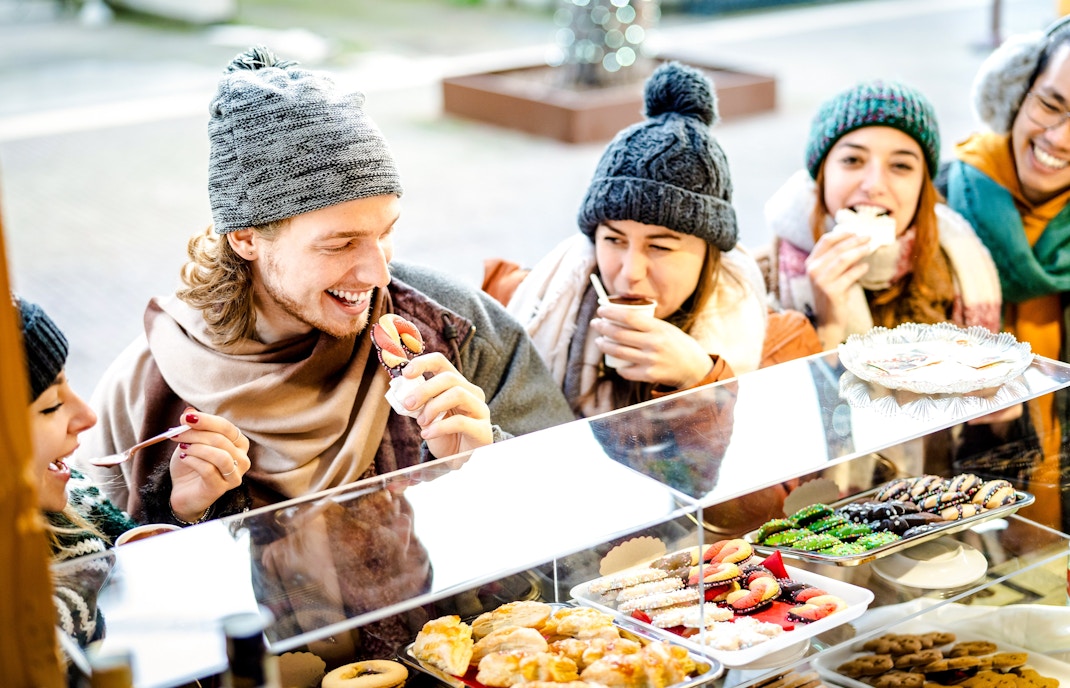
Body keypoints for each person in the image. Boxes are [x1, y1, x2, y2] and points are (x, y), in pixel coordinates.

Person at [77, 46, 573, 522]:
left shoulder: (453, 327)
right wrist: (181, 515)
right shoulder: (143, 390)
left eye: (386, 232)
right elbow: (94, 575)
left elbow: (580, 500)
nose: (378, 275)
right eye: (340, 244)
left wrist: (489, 461)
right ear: (247, 238)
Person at [504, 61, 796, 419]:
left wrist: (699, 378)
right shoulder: (543, 301)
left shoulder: (774, 344)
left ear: (710, 253)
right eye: (613, 239)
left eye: (659, 246)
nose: (630, 273)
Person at [15, 295, 248, 650]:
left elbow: (159, 593)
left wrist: (185, 510)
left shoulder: (75, 498)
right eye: (51, 406)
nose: (87, 417)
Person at [938, 16, 1070, 531]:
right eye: (1050, 104)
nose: (1059, 138)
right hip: (948, 519)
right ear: (1015, 93)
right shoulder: (940, 205)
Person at [767, 79, 1002, 352]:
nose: (874, 185)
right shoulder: (764, 281)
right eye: (852, 160)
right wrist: (828, 326)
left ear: (922, 187)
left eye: (900, 165)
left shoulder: (960, 265)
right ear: (822, 176)